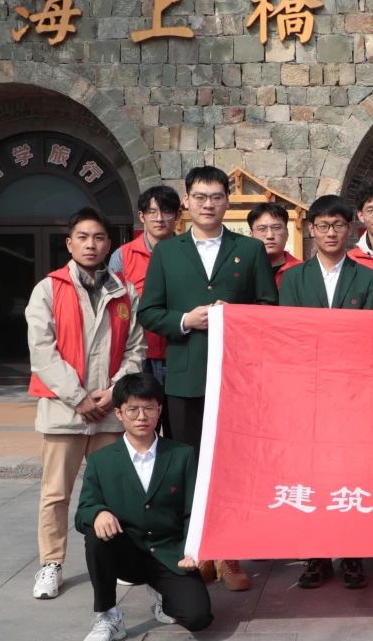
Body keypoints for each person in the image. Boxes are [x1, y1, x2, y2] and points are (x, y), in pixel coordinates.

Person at [137, 165, 277, 593]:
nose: (208, 204)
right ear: (187, 202)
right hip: (185, 377)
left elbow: (268, 307)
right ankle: (196, 549)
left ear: (227, 202)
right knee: (189, 466)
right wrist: (186, 320)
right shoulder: (167, 253)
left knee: (232, 465)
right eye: (200, 197)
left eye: (216, 197)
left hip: (237, 378)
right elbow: (149, 312)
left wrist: (235, 317)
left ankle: (230, 552)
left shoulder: (249, 250)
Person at [25, 207, 146, 601]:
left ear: (109, 244)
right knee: (56, 493)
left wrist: (113, 391)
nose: (90, 244)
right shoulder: (48, 289)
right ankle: (51, 563)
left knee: (114, 492)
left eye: (98, 237)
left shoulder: (125, 291)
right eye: (82, 237)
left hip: (109, 411)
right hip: (64, 410)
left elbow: (136, 349)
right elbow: (42, 352)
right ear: (69, 243)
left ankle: (118, 559)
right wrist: (78, 398)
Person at [280, 194, 373, 589]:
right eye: (323, 226)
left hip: (352, 391)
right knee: (312, 474)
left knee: (351, 474)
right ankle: (316, 556)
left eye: (338, 225)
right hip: (308, 391)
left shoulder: (365, 278)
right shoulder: (294, 278)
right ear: (311, 230)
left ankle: (353, 556)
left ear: (350, 229)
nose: (331, 232)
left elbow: (370, 336)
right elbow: (290, 335)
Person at [75, 372, 214, 641]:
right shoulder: (101, 460)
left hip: (169, 554)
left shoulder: (182, 454)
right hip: (127, 553)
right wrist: (98, 513)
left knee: (198, 618)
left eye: (149, 408)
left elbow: (194, 509)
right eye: (133, 409)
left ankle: (163, 596)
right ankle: (108, 615)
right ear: (119, 413)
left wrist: (193, 549)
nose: (142, 416)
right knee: (95, 535)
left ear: (159, 410)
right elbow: (83, 511)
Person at [109, 185, 181, 398]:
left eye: (166, 211)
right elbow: (112, 308)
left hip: (178, 352)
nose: (159, 219)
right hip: (137, 355)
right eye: (152, 212)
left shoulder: (190, 253)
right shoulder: (122, 256)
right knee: (140, 414)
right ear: (141, 216)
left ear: (177, 215)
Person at [246, 202, 302, 288]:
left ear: (287, 233)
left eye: (276, 228)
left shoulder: (303, 271)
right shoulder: (241, 271)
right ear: (251, 235)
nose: (270, 236)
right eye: (262, 229)